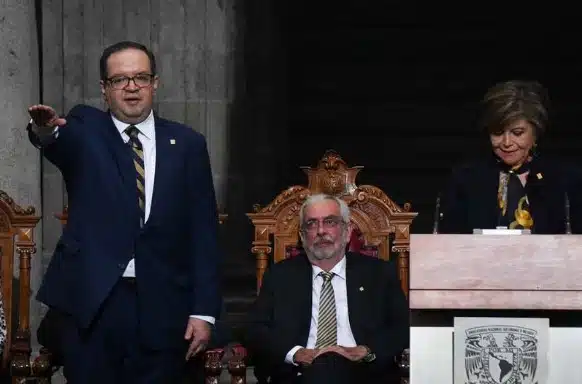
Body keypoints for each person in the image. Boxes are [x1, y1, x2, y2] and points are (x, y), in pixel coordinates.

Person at [27, 41, 222, 383]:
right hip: (95, 307)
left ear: (155, 83)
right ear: (104, 89)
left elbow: (203, 232)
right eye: (119, 80)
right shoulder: (85, 130)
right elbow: (57, 140)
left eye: (140, 78)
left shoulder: (188, 143)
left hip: (165, 305)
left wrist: (203, 311)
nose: (131, 87)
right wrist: (46, 129)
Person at [245, 194, 409, 384]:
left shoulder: (379, 273)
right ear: (302, 236)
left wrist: (366, 351)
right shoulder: (280, 275)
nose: (321, 231)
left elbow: (401, 328)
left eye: (330, 222)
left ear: (347, 232)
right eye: (312, 224)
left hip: (363, 373)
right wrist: (295, 353)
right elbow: (255, 330)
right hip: (300, 375)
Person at [439, 80, 582, 234]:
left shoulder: (566, 180)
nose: (507, 143)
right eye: (498, 133)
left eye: (517, 133)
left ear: (535, 133)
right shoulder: (465, 179)